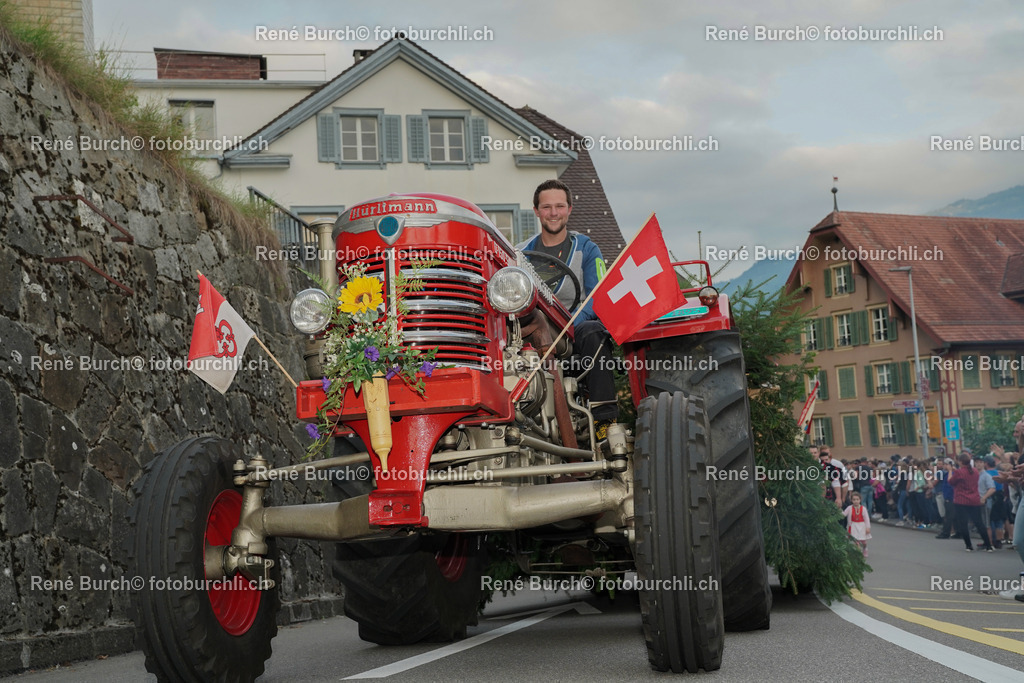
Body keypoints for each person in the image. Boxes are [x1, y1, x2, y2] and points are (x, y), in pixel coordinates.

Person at [519, 179, 618, 439]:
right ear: (536, 211)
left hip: (574, 337)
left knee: (593, 330)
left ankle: (604, 423)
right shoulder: (520, 254)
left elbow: (597, 296)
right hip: (535, 334)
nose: (554, 213)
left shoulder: (586, 248)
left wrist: (568, 325)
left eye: (559, 206)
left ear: (569, 209)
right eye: (547, 207)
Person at [949, 453, 995, 552]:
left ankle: (968, 545)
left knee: (963, 523)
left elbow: (951, 482)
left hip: (961, 500)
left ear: (960, 462)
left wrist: (950, 472)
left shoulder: (959, 472)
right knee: (979, 523)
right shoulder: (975, 471)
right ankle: (988, 545)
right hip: (974, 499)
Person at [844, 491, 872, 557]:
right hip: (853, 526)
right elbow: (844, 514)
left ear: (860, 500)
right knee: (856, 541)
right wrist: (838, 511)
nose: (856, 501)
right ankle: (858, 553)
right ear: (851, 500)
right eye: (854, 500)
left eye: (857, 499)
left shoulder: (863, 509)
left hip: (862, 526)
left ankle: (865, 548)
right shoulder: (849, 508)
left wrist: (868, 528)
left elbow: (866, 519)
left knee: (864, 541)